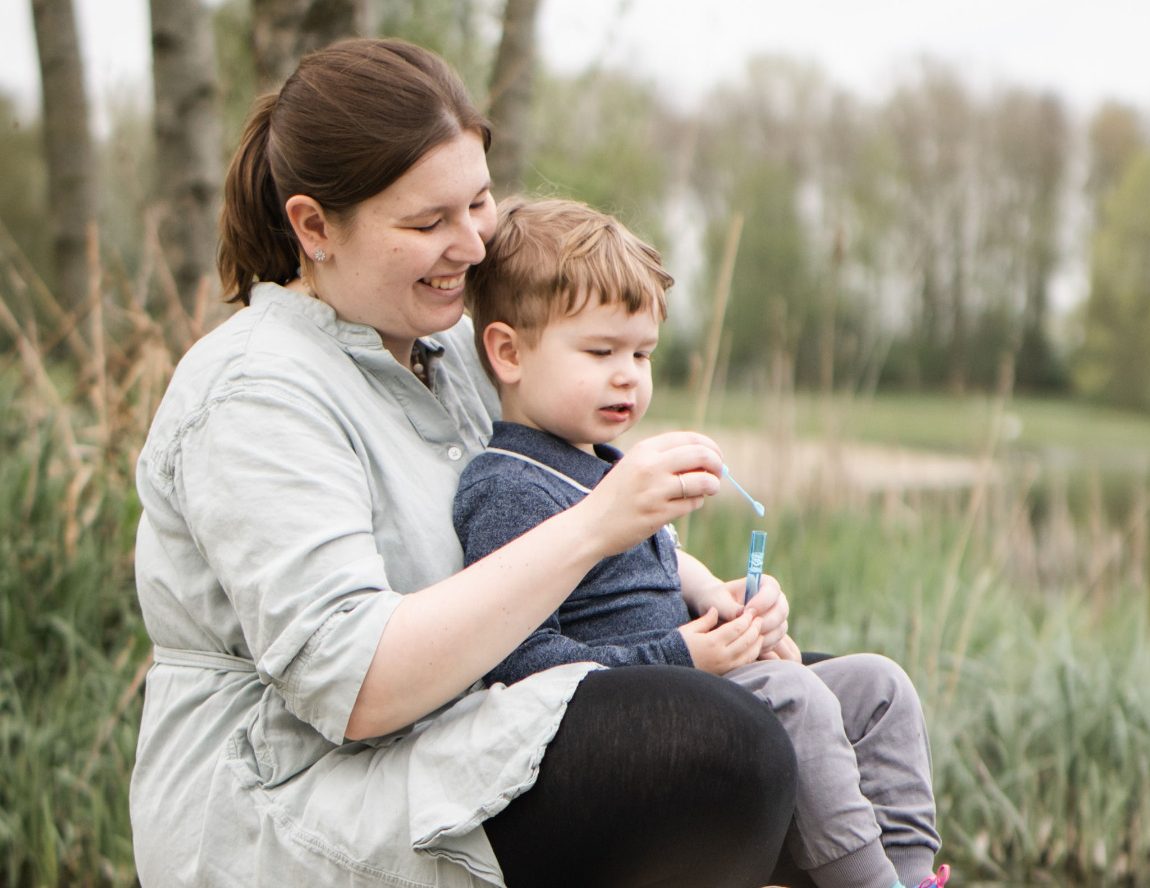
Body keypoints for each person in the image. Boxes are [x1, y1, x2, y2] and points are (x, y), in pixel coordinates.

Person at [129, 38, 803, 888]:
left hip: (466, 727)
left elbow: (544, 508)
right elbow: (357, 688)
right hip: (300, 798)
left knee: (810, 700)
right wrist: (598, 525)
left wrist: (706, 593)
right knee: (715, 746)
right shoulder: (253, 395)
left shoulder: (453, 344)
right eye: (426, 223)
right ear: (312, 226)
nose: (475, 246)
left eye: (478, 203)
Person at [453, 196, 948, 888]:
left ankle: (910, 873)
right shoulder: (509, 487)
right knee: (789, 693)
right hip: (620, 723)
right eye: (600, 352)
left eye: (642, 353)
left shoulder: (606, 463)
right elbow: (522, 663)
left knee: (878, 687)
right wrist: (683, 653)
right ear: (507, 351)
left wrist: (721, 598)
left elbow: (648, 563)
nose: (628, 373)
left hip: (693, 674)